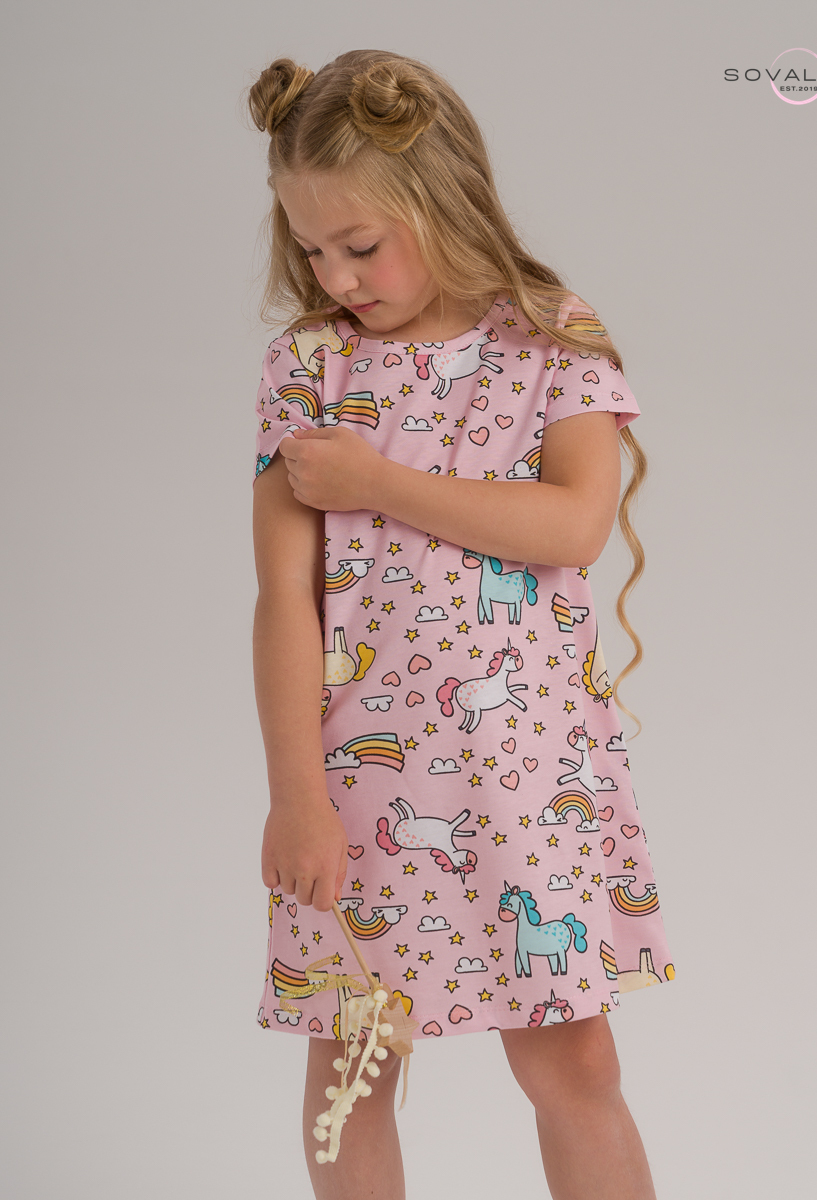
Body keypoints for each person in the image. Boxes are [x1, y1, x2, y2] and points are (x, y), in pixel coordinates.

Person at [246, 49, 675, 1200]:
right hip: (358, 784)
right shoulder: (307, 368)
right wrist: (296, 796)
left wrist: (375, 481)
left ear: (440, 199)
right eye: (311, 249)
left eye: (360, 244)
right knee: (355, 1059)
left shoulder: (548, 335)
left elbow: (573, 524)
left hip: (525, 774)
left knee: (574, 1059)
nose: (335, 275)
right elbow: (284, 596)